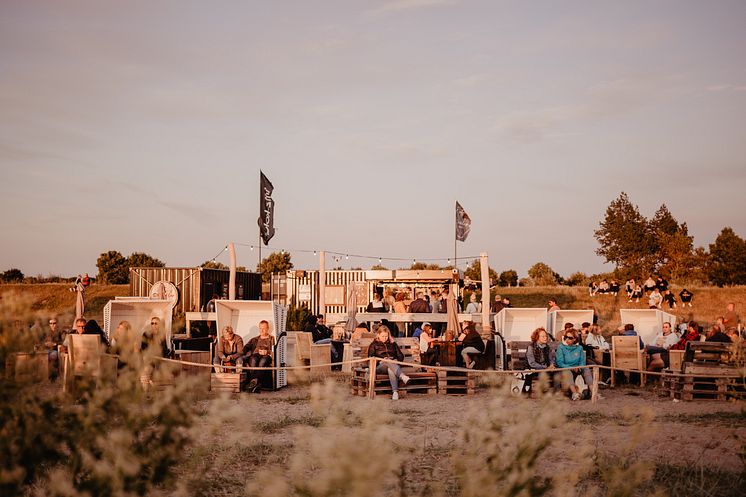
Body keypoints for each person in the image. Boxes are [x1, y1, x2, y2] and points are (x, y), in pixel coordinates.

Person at [367, 325, 410, 400]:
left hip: (392, 366)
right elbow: (370, 358)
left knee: (390, 369)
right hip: (380, 367)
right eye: (383, 336)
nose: (384, 338)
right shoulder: (374, 345)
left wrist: (396, 360)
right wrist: (380, 360)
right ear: (378, 335)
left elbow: (401, 356)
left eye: (386, 336)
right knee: (387, 361)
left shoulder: (393, 344)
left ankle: (395, 393)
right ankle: (402, 376)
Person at [555, 328, 593, 400]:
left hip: (577, 368)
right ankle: (575, 393)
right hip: (566, 368)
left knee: (586, 369)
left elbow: (582, 361)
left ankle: (594, 392)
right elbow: (560, 362)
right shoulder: (561, 347)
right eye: (566, 337)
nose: (567, 339)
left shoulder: (579, 348)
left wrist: (579, 367)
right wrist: (571, 367)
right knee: (567, 371)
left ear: (575, 339)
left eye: (570, 338)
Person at [242, 320, 275, 392]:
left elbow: (275, 351)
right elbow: (246, 347)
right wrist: (242, 353)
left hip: (266, 356)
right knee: (253, 359)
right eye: (260, 328)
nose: (262, 330)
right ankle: (255, 383)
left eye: (264, 328)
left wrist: (267, 351)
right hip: (255, 356)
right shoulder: (255, 339)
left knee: (262, 362)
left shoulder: (272, 339)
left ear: (268, 328)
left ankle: (253, 382)